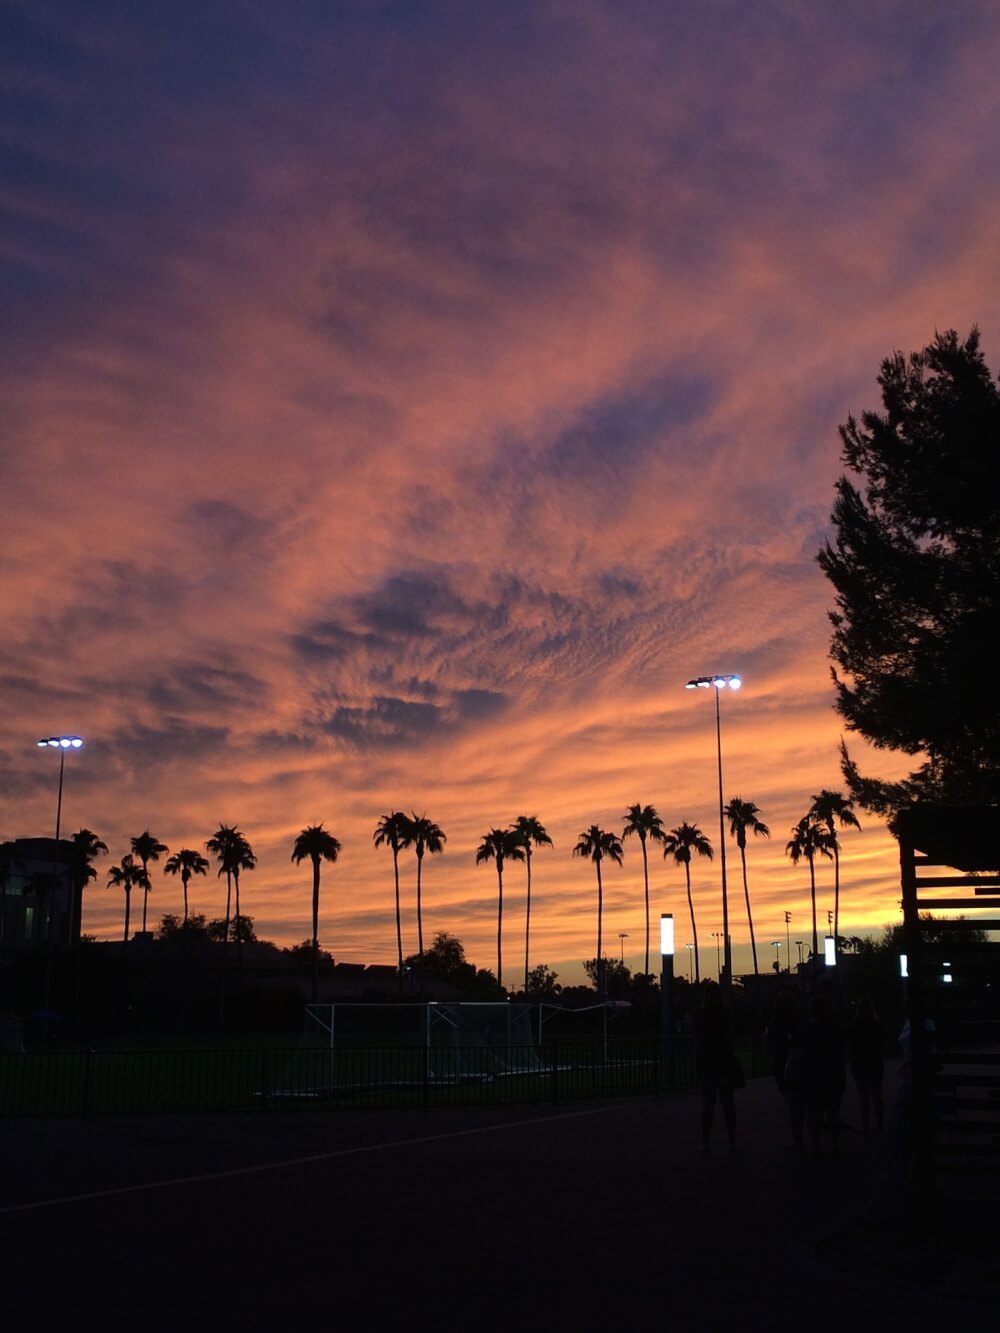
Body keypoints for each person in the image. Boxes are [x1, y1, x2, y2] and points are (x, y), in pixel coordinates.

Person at [693, 982, 739, 1152]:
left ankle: (705, 1141)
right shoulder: (726, 1014)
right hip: (724, 1063)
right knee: (728, 1105)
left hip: (707, 1064)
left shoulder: (700, 1015)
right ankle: (732, 1142)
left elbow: (698, 1041)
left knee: (708, 1105)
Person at [800, 991, 846, 1156]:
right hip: (832, 1074)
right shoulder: (834, 1027)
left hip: (814, 1076)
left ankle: (816, 1145)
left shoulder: (808, 1028)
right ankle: (834, 1146)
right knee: (833, 1111)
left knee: (814, 1113)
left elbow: (803, 1052)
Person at [766, 990, 805, 1149]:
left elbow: (770, 1045)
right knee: (799, 1104)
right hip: (799, 1066)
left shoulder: (774, 1024)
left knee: (793, 1104)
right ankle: (800, 1138)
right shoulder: (799, 1022)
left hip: (782, 1067)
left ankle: (798, 1139)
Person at [847, 996, 884, 1133]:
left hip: (859, 1062)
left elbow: (850, 1043)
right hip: (875, 1061)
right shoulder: (877, 1025)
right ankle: (880, 1124)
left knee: (863, 1095)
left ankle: (865, 1125)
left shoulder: (855, 1025)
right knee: (877, 1094)